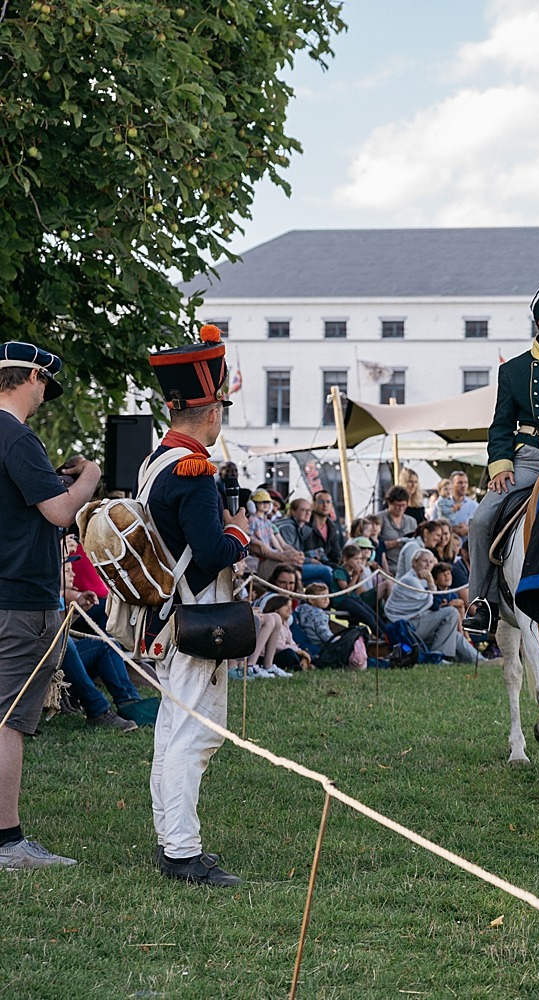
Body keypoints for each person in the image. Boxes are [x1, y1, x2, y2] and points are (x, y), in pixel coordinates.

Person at [142, 325, 252, 886]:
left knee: (172, 733)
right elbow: (210, 554)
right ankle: (181, 852)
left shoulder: (156, 461)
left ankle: (172, 841)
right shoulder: (194, 470)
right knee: (193, 737)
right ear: (210, 413)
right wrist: (240, 534)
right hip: (196, 615)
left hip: (170, 616)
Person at [0, 342, 101, 871]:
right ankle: (7, 842)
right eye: (45, 385)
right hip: (19, 597)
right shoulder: (16, 436)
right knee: (8, 721)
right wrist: (88, 477)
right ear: (32, 376)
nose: (44, 397)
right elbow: (60, 512)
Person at [384, 549, 479, 663]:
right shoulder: (410, 580)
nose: (428, 564)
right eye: (424, 561)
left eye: (431, 561)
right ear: (414, 562)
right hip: (405, 626)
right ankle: (437, 657)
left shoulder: (421, 580)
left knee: (455, 635)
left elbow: (432, 604)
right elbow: (434, 605)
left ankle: (481, 660)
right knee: (451, 612)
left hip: (417, 623)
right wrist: (430, 582)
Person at [377, 486, 417, 570]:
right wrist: (396, 543)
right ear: (389, 503)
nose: (401, 508)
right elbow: (374, 545)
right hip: (387, 567)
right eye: (397, 505)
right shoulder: (379, 519)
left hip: (408, 567)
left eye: (404, 505)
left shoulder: (411, 521)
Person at [435, 471, 478, 538]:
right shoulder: (440, 503)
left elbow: (480, 528)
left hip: (466, 546)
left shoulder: (474, 506)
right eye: (460, 483)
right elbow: (433, 524)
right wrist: (450, 529)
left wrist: (468, 530)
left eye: (466, 482)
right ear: (451, 484)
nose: (463, 485)